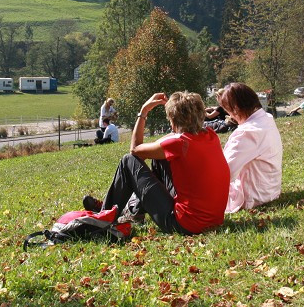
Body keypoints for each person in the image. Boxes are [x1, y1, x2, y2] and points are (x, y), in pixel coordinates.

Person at [82, 91, 230, 235]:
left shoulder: (179, 144)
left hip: (185, 225)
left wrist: (143, 111)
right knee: (160, 160)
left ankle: (104, 216)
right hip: (213, 220)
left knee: (128, 160)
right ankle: (133, 210)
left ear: (172, 121)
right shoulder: (210, 136)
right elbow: (163, 143)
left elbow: (134, 150)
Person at [218, 83, 283, 214]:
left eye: (227, 110)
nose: (229, 115)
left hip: (252, 197)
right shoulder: (266, 119)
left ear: (235, 109)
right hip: (269, 191)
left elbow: (224, 175)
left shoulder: (247, 133)